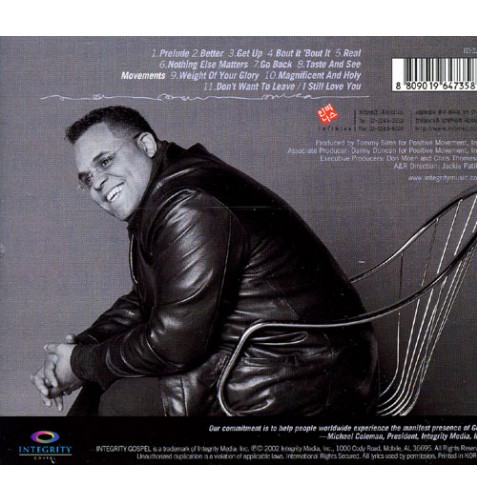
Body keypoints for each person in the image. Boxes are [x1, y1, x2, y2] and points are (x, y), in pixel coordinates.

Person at [31, 106, 378, 417]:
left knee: (121, 400)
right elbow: (146, 299)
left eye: (105, 162)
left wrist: (81, 363)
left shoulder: (189, 203)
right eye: (86, 179)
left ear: (147, 145)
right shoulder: (165, 194)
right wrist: (78, 350)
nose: (97, 184)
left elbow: (174, 344)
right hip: (269, 354)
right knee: (102, 382)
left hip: (307, 368)